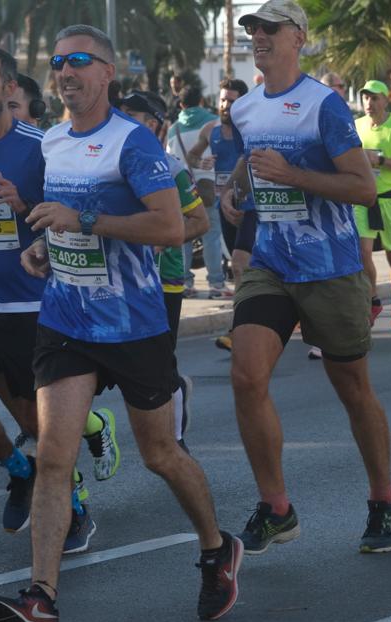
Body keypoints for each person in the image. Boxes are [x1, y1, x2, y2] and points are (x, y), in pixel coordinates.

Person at [0, 25, 242, 622]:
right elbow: (64, 223)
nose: (66, 72)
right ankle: (42, 599)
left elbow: (171, 227)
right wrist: (46, 245)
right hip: (67, 320)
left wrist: (86, 219)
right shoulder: (52, 142)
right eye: (57, 62)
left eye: (78, 61)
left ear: (106, 74)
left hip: (133, 324)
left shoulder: (132, 144)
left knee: (160, 455)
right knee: (52, 456)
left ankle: (216, 548)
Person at [218, 0, 391, 557]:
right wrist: (236, 188)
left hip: (330, 268)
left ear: (298, 37)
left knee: (353, 392)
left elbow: (364, 188)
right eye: (252, 29)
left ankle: (383, 498)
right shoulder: (248, 108)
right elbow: (253, 161)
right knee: (246, 375)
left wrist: (294, 175)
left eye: (269, 29)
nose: (258, 37)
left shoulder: (324, 106)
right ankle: (276, 507)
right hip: (272, 265)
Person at [0, 49, 118, 552]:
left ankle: (76, 511)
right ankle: (20, 471)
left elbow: (72, 211)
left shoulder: (43, 146)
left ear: (10, 88)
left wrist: (24, 206)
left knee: (37, 425)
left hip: (32, 307)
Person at [118, 89, 210, 447]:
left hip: (163, 280)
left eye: (130, 116)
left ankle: (174, 437)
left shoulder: (171, 169)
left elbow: (200, 222)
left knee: (159, 363)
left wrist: (164, 238)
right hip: (121, 280)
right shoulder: (115, 162)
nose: (120, 122)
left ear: (152, 124)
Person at [185, 78, 252, 352]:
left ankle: (239, 329)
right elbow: (191, 156)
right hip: (224, 208)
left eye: (232, 100)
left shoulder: (250, 130)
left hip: (251, 205)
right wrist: (201, 163)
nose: (226, 105)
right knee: (244, 267)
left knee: (240, 264)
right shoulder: (210, 129)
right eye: (223, 99)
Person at [352, 79, 391, 329]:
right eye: (366, 97)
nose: (369, 102)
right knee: (362, 252)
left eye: (374, 97)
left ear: (385, 100)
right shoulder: (356, 125)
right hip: (364, 199)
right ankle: (373, 301)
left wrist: (379, 159)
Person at [167, 86, 231, 299]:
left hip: (181, 189)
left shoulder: (173, 129)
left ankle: (185, 282)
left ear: (181, 105)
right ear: (202, 101)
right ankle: (216, 284)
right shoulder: (213, 123)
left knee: (184, 235)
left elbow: (170, 160)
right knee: (211, 235)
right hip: (207, 186)